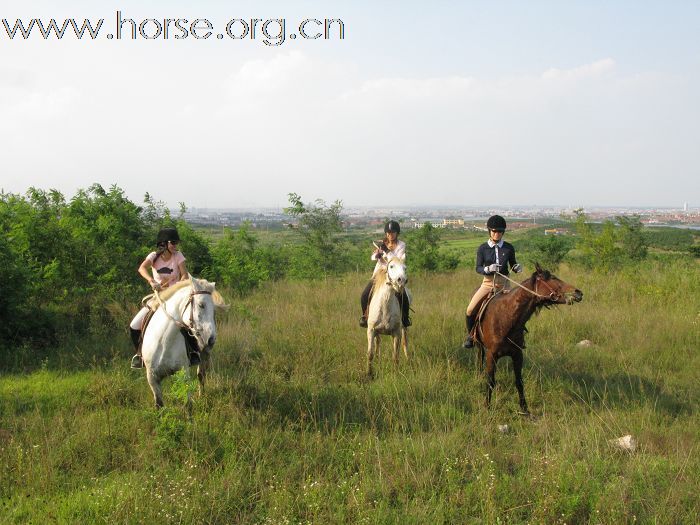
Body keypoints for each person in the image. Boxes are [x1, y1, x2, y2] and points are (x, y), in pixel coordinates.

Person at [129, 227, 192, 369]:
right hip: (158, 297)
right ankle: (139, 355)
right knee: (134, 325)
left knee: (190, 323)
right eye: (173, 242)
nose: (176, 246)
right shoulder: (153, 256)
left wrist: (178, 286)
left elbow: (184, 275)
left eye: (176, 243)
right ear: (164, 243)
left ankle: (194, 353)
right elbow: (141, 269)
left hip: (175, 296)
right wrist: (152, 281)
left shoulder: (178, 256)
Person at [463, 215, 522, 348]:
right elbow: (477, 268)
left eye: (500, 231)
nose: (497, 234)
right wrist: (487, 269)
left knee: (517, 310)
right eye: (494, 231)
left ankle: (518, 338)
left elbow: (513, 264)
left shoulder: (508, 248)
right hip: (488, 283)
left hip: (505, 284)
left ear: (503, 232)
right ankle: (471, 336)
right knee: (470, 309)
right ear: (489, 231)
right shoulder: (483, 248)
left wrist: (517, 268)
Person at [359, 220, 411, 328]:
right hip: (379, 273)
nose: (390, 235)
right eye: (388, 232)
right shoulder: (382, 243)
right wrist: (377, 255)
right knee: (364, 295)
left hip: (394, 274)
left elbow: (397, 260)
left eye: (392, 232)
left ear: (397, 233)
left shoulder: (401, 245)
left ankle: (405, 318)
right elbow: (372, 257)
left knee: (403, 296)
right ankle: (365, 317)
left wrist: (386, 251)